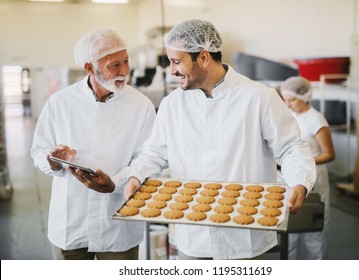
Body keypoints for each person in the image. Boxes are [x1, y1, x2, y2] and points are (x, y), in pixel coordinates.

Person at [124, 19, 316, 260]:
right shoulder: (173, 105)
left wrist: (300, 181)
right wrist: (136, 176)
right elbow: (155, 153)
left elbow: (290, 147)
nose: (171, 70)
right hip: (194, 238)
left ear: (203, 57)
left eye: (176, 62)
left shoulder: (258, 98)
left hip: (247, 237)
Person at [30, 28, 156, 260]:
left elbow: (146, 158)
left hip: (118, 223)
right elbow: (38, 150)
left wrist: (115, 184)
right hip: (71, 223)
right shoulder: (60, 103)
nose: (124, 71)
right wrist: (53, 160)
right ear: (89, 68)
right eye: (114, 65)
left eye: (126, 61)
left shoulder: (141, 105)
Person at [280, 76, 335, 259]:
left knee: (313, 232)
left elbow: (329, 153)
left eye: (292, 100)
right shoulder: (290, 117)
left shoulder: (316, 120)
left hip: (315, 180)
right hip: (292, 179)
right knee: (291, 230)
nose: (287, 104)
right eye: (285, 100)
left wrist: (306, 164)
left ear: (304, 97)